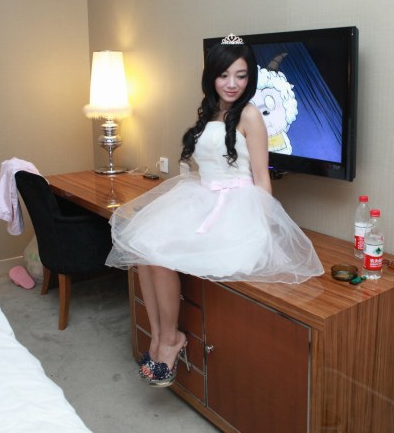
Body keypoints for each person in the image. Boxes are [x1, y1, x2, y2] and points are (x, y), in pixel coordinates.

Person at [105, 33, 324, 387]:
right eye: (224, 75)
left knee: (159, 254)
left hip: (236, 208)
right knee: (143, 249)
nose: (232, 84)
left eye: (241, 75)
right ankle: (158, 338)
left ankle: (171, 338)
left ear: (250, 77)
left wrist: (266, 230)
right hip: (203, 198)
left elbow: (261, 178)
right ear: (212, 77)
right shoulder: (210, 110)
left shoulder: (250, 115)